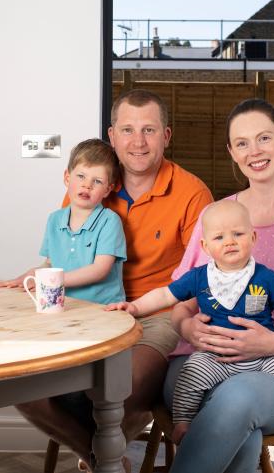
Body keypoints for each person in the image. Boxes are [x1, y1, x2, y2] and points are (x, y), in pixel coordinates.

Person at [13, 89, 213, 470]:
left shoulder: (192, 194)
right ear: (112, 135)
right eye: (128, 130)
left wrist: (183, 321)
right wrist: (25, 278)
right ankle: (101, 455)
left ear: (166, 136)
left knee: (124, 387)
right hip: (89, 309)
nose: (138, 142)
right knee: (22, 387)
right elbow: (59, 254)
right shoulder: (93, 185)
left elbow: (200, 277)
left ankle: (101, 453)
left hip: (158, 314)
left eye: (149, 130)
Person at [165, 98, 274, 473]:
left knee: (236, 402)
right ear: (232, 152)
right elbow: (179, 304)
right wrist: (188, 327)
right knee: (239, 430)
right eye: (242, 143)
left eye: (264, 138)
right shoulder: (216, 217)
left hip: (272, 372)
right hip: (199, 364)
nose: (254, 151)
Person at [107, 199, 274, 450]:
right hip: (213, 356)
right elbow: (165, 295)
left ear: (253, 238)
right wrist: (135, 307)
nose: (229, 241)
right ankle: (183, 422)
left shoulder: (266, 278)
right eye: (219, 237)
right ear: (205, 246)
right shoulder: (200, 277)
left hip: (265, 357)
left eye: (238, 234)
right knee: (191, 373)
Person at [0, 138, 126, 305]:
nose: (87, 185)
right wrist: (27, 277)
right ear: (67, 178)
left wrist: (53, 280)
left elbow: (100, 270)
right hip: (64, 303)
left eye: (97, 181)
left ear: (108, 189)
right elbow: (50, 264)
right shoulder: (55, 219)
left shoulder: (110, 221)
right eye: (81, 176)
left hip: (103, 308)